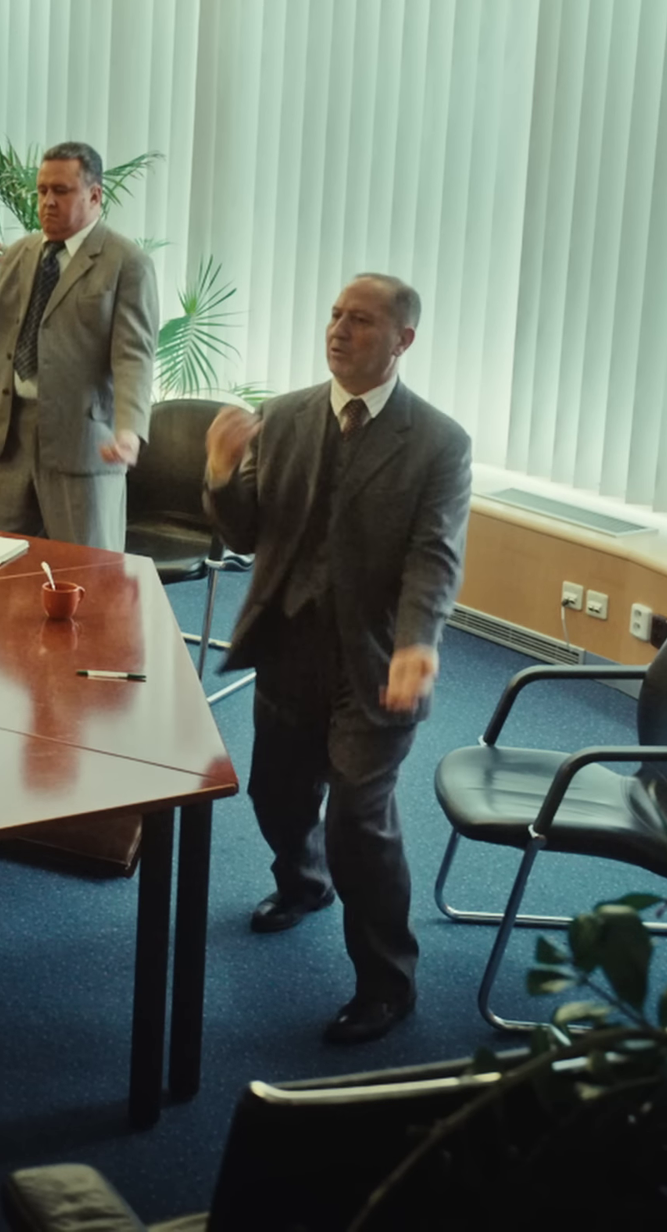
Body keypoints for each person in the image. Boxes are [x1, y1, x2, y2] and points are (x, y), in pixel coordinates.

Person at [203, 274, 471, 1046]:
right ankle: (303, 883)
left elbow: (435, 556)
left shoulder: (438, 442)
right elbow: (246, 535)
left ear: (402, 340)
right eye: (334, 315)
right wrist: (221, 473)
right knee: (276, 799)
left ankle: (389, 984)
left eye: (360, 320)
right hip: (289, 644)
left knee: (361, 820)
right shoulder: (283, 417)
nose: (339, 329)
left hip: (379, 660)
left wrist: (419, 641)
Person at [0, 141, 158, 551]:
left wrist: (130, 430)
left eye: (61, 191)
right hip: (10, 438)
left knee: (85, 573)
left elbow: (134, 355)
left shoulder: (125, 262)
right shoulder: (20, 255)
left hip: (82, 441)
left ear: (95, 195)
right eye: (42, 190)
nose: (47, 201)